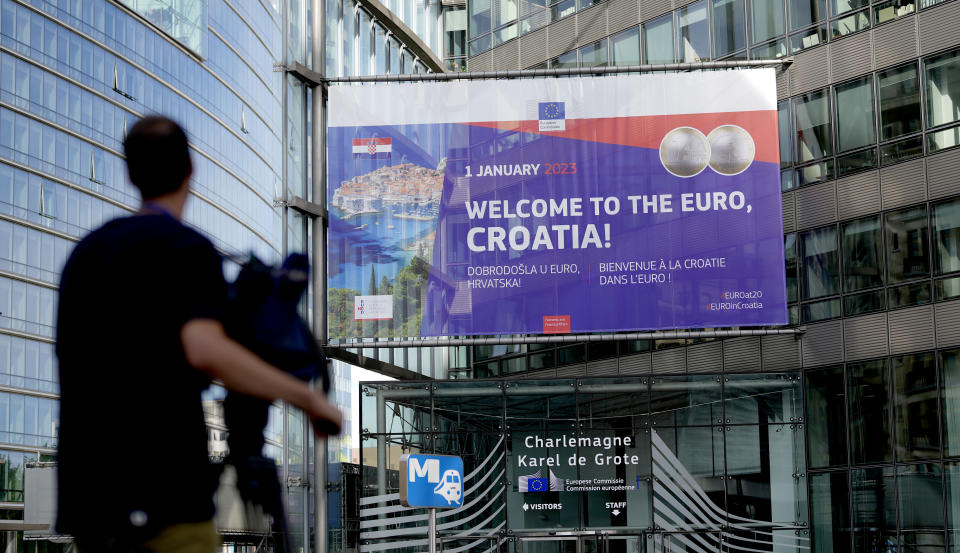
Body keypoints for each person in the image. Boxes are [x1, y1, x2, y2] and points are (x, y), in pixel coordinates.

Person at [55, 116, 342, 552]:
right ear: (191, 169)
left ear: (130, 171)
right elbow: (205, 349)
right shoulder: (186, 249)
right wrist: (308, 400)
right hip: (167, 501)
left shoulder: (83, 257)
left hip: (92, 507)